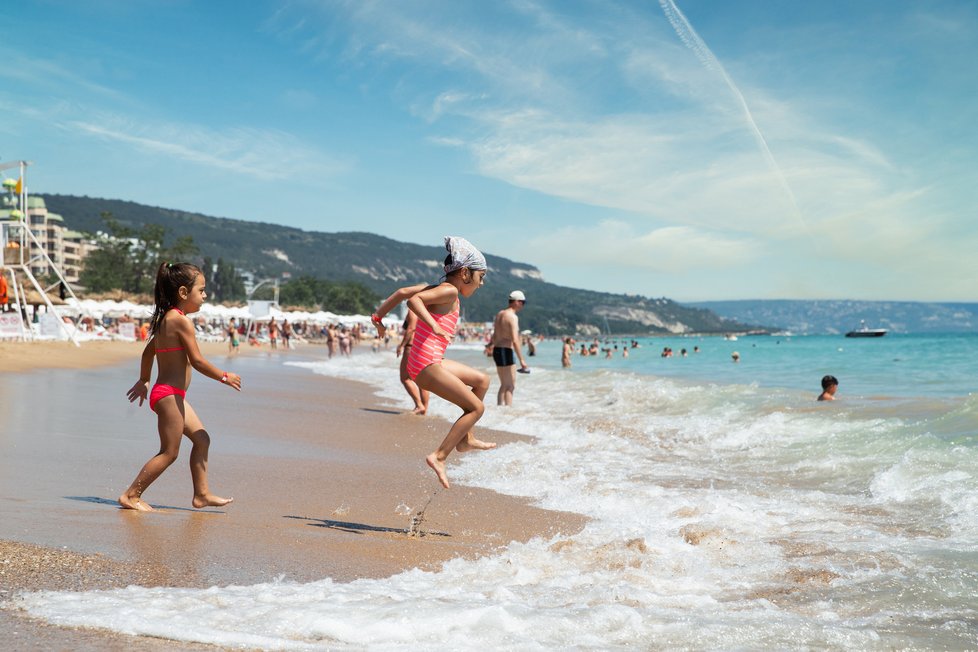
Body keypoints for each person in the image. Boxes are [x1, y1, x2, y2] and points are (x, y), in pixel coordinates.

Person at [370, 236, 494, 488]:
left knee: (482, 381)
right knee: (476, 409)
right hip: (427, 364)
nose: (481, 284)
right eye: (481, 278)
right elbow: (412, 302)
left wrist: (378, 318)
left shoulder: (441, 289)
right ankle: (439, 456)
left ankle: (465, 438)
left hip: (427, 360)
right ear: (465, 273)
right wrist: (435, 325)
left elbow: (403, 292)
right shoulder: (449, 290)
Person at [119, 262, 242, 512]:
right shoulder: (181, 322)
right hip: (168, 395)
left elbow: (148, 352)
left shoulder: (167, 319)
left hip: (172, 395)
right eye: (202, 290)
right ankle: (131, 495)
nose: (205, 296)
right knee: (169, 452)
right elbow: (197, 361)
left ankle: (202, 494)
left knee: (202, 439)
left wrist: (144, 380)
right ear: (184, 293)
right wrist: (223, 376)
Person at [491, 290, 529, 406]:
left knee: (503, 384)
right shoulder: (512, 317)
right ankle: (508, 411)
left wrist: (489, 346)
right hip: (506, 350)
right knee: (510, 385)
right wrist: (522, 360)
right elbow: (515, 339)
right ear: (516, 302)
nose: (523, 305)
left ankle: (499, 409)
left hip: (497, 350)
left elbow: (494, 335)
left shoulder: (500, 314)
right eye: (522, 302)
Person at [396, 313, 430, 414]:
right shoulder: (425, 309)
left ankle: (419, 405)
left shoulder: (413, 310)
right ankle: (424, 410)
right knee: (421, 380)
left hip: (411, 346)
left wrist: (401, 346)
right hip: (422, 346)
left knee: (405, 378)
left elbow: (410, 329)